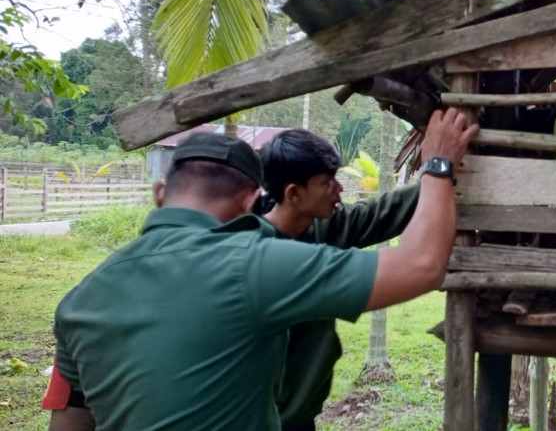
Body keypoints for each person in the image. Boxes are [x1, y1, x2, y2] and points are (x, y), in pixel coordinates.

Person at [50, 108, 477, 430]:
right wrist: (437, 166)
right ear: (251, 201)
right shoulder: (253, 265)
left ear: (160, 192)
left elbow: (69, 419)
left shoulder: (79, 300)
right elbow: (420, 265)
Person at [258, 128, 420, 431]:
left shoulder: (322, 226)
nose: (339, 190)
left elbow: (381, 213)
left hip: (299, 419)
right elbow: (419, 268)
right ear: (294, 193)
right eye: (326, 183)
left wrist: (443, 170)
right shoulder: (247, 251)